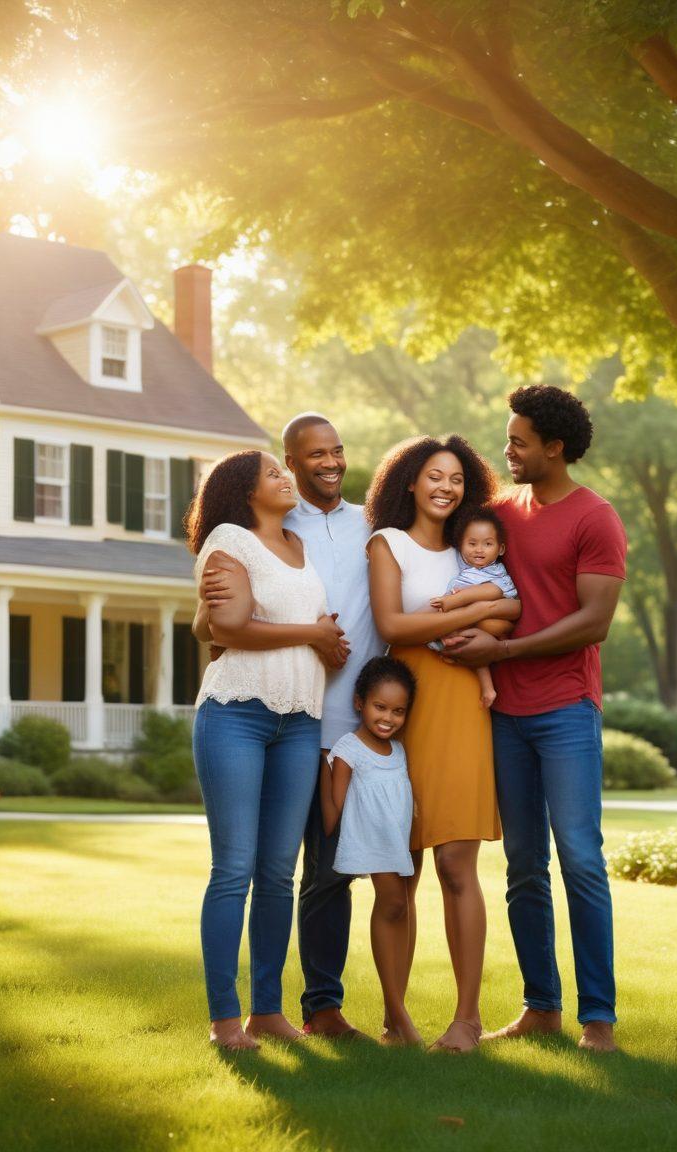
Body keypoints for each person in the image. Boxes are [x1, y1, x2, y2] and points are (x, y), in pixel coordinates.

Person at [443, 385, 627, 1053]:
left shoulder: (595, 518)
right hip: (503, 714)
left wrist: (504, 651)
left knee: (579, 858)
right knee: (523, 864)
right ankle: (541, 1006)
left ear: (555, 447)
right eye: (508, 438)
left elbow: (594, 621)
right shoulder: (499, 515)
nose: (508, 450)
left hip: (566, 709)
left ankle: (598, 1018)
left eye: (519, 441)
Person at [198, 414, 383, 1040]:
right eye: (274, 471)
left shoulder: (299, 549)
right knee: (234, 869)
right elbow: (226, 626)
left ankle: (269, 1011)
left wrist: (326, 643)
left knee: (279, 873)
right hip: (239, 713)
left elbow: (302, 623)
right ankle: (225, 1019)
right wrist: (313, 635)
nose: (284, 478)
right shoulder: (230, 537)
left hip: (301, 721)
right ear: (246, 489)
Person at [365, 435, 520, 1052]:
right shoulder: (388, 543)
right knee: (397, 873)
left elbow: (510, 613)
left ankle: (467, 1020)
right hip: (401, 708)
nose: (446, 488)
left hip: (461, 705)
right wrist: (471, 610)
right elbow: (392, 625)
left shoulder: (473, 549)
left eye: (456, 478)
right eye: (435, 475)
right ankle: (396, 1020)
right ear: (410, 480)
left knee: (456, 864)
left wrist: (476, 608)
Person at [321, 656, 421, 1047]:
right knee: (392, 903)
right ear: (360, 703)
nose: (388, 718)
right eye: (380, 707)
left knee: (400, 907)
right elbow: (333, 814)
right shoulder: (349, 748)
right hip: (372, 842)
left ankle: (394, 1017)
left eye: (398, 711)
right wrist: (323, 765)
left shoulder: (399, 750)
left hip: (396, 842)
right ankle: (398, 1015)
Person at [428, 507, 519, 708]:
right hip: (472, 622)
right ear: (461, 546)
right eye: (472, 544)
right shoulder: (464, 563)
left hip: (494, 618)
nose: (479, 550)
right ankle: (487, 687)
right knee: (467, 642)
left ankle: (453, 641)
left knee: (474, 621)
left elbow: (493, 591)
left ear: (500, 549)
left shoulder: (495, 570)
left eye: (488, 544)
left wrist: (454, 600)